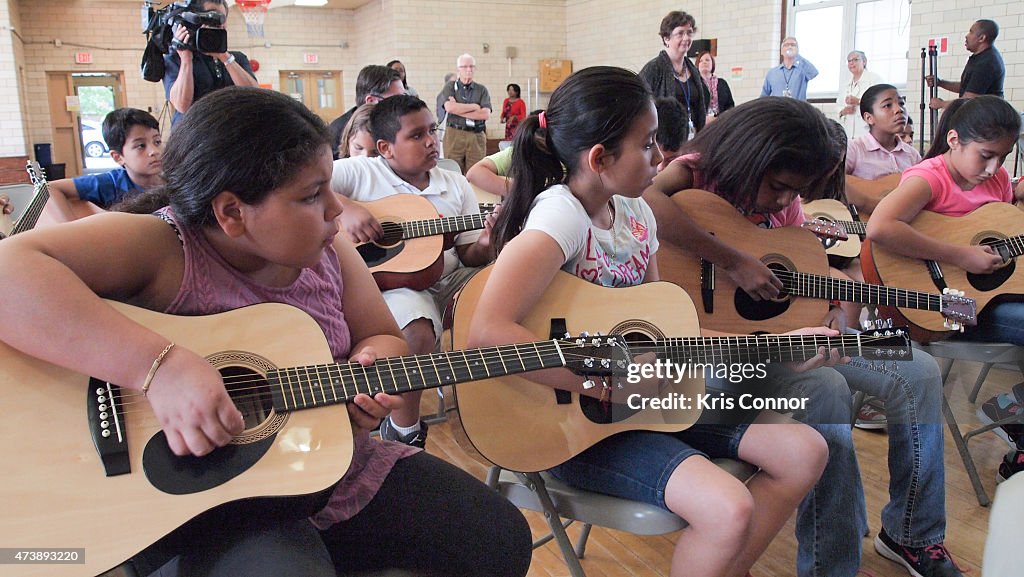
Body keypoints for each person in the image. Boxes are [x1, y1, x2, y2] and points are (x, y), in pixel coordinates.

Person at [0, 86, 531, 577]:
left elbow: (384, 338)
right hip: (205, 504)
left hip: (324, 466)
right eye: (311, 195)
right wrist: (158, 366)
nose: (335, 211)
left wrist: (370, 366)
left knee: (500, 538)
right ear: (231, 211)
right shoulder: (165, 246)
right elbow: (9, 273)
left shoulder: (330, 249)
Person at [468, 65, 829, 577]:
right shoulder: (561, 217)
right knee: (729, 507)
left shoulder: (637, 214)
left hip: (643, 405)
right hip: (570, 424)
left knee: (804, 450)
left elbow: (670, 330)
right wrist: (600, 382)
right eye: (648, 143)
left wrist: (780, 342)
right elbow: (488, 334)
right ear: (600, 159)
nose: (661, 157)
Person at [645, 97, 963, 577]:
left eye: (792, 191)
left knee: (917, 369)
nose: (781, 201)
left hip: (781, 344)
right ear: (748, 156)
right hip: (707, 357)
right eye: (776, 186)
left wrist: (834, 312)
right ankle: (830, 565)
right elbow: (643, 199)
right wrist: (731, 260)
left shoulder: (788, 206)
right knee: (827, 391)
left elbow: (806, 274)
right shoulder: (693, 174)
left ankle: (912, 534)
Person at [867, 95, 1024, 484]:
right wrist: (961, 255)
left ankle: (1012, 412)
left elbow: (1001, 235)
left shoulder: (1000, 180)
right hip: (941, 305)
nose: (994, 168)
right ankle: (1012, 414)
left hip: (991, 299)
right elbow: (880, 229)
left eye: (1003, 157)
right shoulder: (929, 177)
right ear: (953, 139)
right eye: (985, 155)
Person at [332, 94, 497, 448]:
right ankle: (405, 432)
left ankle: (503, 412)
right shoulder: (361, 171)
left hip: (449, 278)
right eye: (416, 135)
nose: (431, 142)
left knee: (503, 283)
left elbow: (469, 253)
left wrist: (486, 242)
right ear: (385, 148)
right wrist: (344, 207)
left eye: (432, 131)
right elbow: (307, 183)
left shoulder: (454, 184)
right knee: (417, 330)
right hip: (393, 285)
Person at [43, 108, 163, 223]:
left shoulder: (174, 179)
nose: (154, 151)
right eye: (141, 145)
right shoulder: (110, 183)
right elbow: (48, 188)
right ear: (118, 157)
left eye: (157, 142)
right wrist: (70, 226)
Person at [163, 0, 258, 126]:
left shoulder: (237, 58)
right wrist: (186, 60)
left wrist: (224, 56)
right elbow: (182, 106)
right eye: (209, 16)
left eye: (221, 18)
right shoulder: (175, 59)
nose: (216, 22)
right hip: (194, 136)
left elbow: (254, 96)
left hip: (230, 132)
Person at [844, 84, 921, 214]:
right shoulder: (855, 149)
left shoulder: (912, 155)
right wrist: (868, 203)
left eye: (902, 103)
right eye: (887, 105)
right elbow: (832, 180)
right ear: (869, 118)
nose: (899, 110)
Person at [640, 10, 707, 135]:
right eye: (680, 33)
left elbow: (700, 109)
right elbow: (640, 105)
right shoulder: (654, 68)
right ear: (666, 38)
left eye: (689, 33)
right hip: (664, 141)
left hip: (692, 137)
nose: (686, 38)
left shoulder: (693, 70)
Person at [327, 65, 404, 160]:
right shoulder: (335, 135)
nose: (403, 106)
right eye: (396, 100)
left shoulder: (397, 125)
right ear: (371, 101)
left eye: (405, 98)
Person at [926, 19, 1004, 110]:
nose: (966, 36)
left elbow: (968, 100)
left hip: (987, 119)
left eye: (971, 32)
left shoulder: (987, 62)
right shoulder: (979, 58)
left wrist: (942, 104)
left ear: (982, 38)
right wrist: (940, 82)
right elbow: (968, 87)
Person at [439, 54, 492, 174]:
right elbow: (449, 107)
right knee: (452, 171)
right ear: (458, 69)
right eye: (465, 67)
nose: (469, 70)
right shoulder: (450, 86)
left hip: (476, 135)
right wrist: (474, 107)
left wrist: (458, 108)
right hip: (454, 133)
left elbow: (485, 114)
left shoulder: (481, 89)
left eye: (472, 66)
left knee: (476, 173)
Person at [838, 50, 884, 139]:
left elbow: (880, 101)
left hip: (867, 130)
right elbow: (838, 105)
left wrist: (859, 101)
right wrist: (844, 111)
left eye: (855, 60)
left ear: (864, 62)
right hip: (849, 131)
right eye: (849, 61)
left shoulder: (874, 79)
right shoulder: (845, 84)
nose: (851, 63)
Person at [695, 51, 734, 123]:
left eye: (707, 60)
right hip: (701, 124)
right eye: (701, 61)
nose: (704, 62)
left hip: (721, 122)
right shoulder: (694, 84)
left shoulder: (722, 83)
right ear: (697, 65)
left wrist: (722, 117)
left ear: (712, 64)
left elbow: (730, 105)